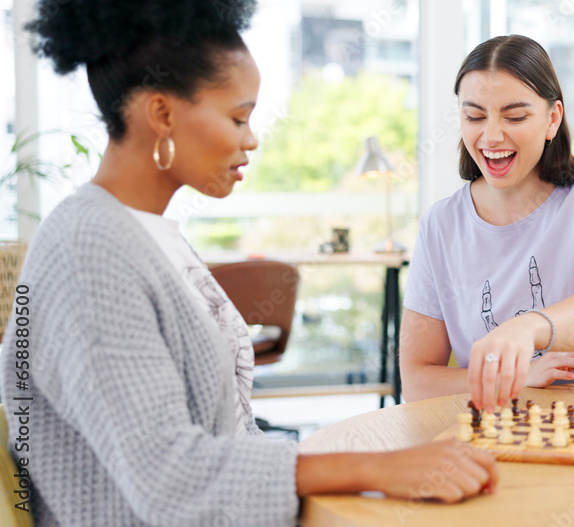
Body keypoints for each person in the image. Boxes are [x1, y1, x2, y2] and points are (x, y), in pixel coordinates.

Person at [0, 2, 495, 525]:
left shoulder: (146, 232)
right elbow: (168, 476)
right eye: (238, 117)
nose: (252, 138)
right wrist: (377, 469)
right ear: (162, 113)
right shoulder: (90, 250)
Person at [400, 35, 574, 413]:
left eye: (515, 117)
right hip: (490, 428)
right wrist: (518, 376)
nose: (491, 135)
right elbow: (417, 382)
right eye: (474, 116)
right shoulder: (440, 224)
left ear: (552, 119)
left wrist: (527, 328)